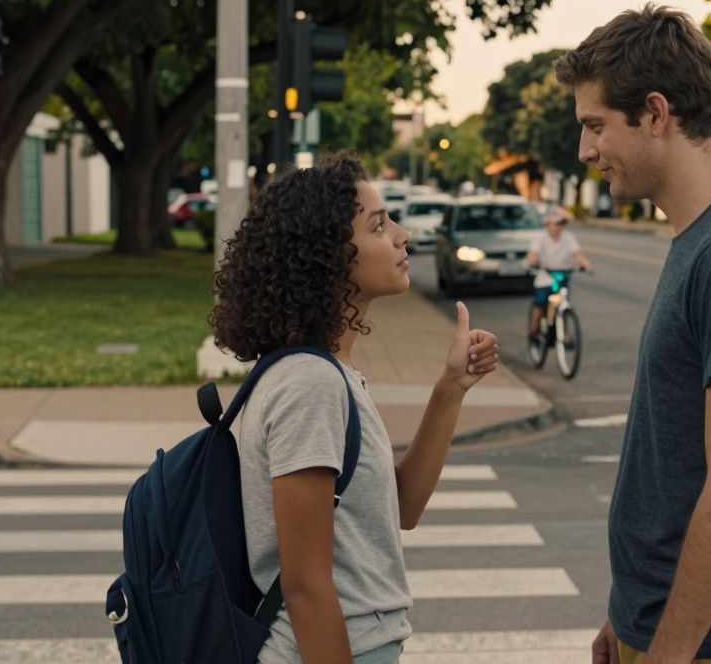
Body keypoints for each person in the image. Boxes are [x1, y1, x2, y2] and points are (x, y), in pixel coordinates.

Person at [555, 5, 711, 664]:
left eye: (595, 126)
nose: (584, 151)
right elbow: (675, 460)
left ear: (657, 114)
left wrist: (666, 651)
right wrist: (627, 613)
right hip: (669, 626)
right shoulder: (705, 237)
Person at [208, 153, 500, 664]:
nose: (403, 235)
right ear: (329, 257)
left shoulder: (329, 376)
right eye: (379, 225)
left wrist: (451, 388)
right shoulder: (309, 386)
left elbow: (402, 508)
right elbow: (305, 586)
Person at [526, 206, 594, 340]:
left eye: (562, 223)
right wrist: (533, 261)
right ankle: (534, 329)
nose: (559, 226)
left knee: (563, 303)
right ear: (548, 223)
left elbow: (577, 254)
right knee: (540, 303)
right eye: (556, 223)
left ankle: (563, 332)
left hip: (562, 275)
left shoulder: (568, 237)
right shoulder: (541, 238)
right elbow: (532, 256)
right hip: (545, 277)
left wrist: (585, 264)